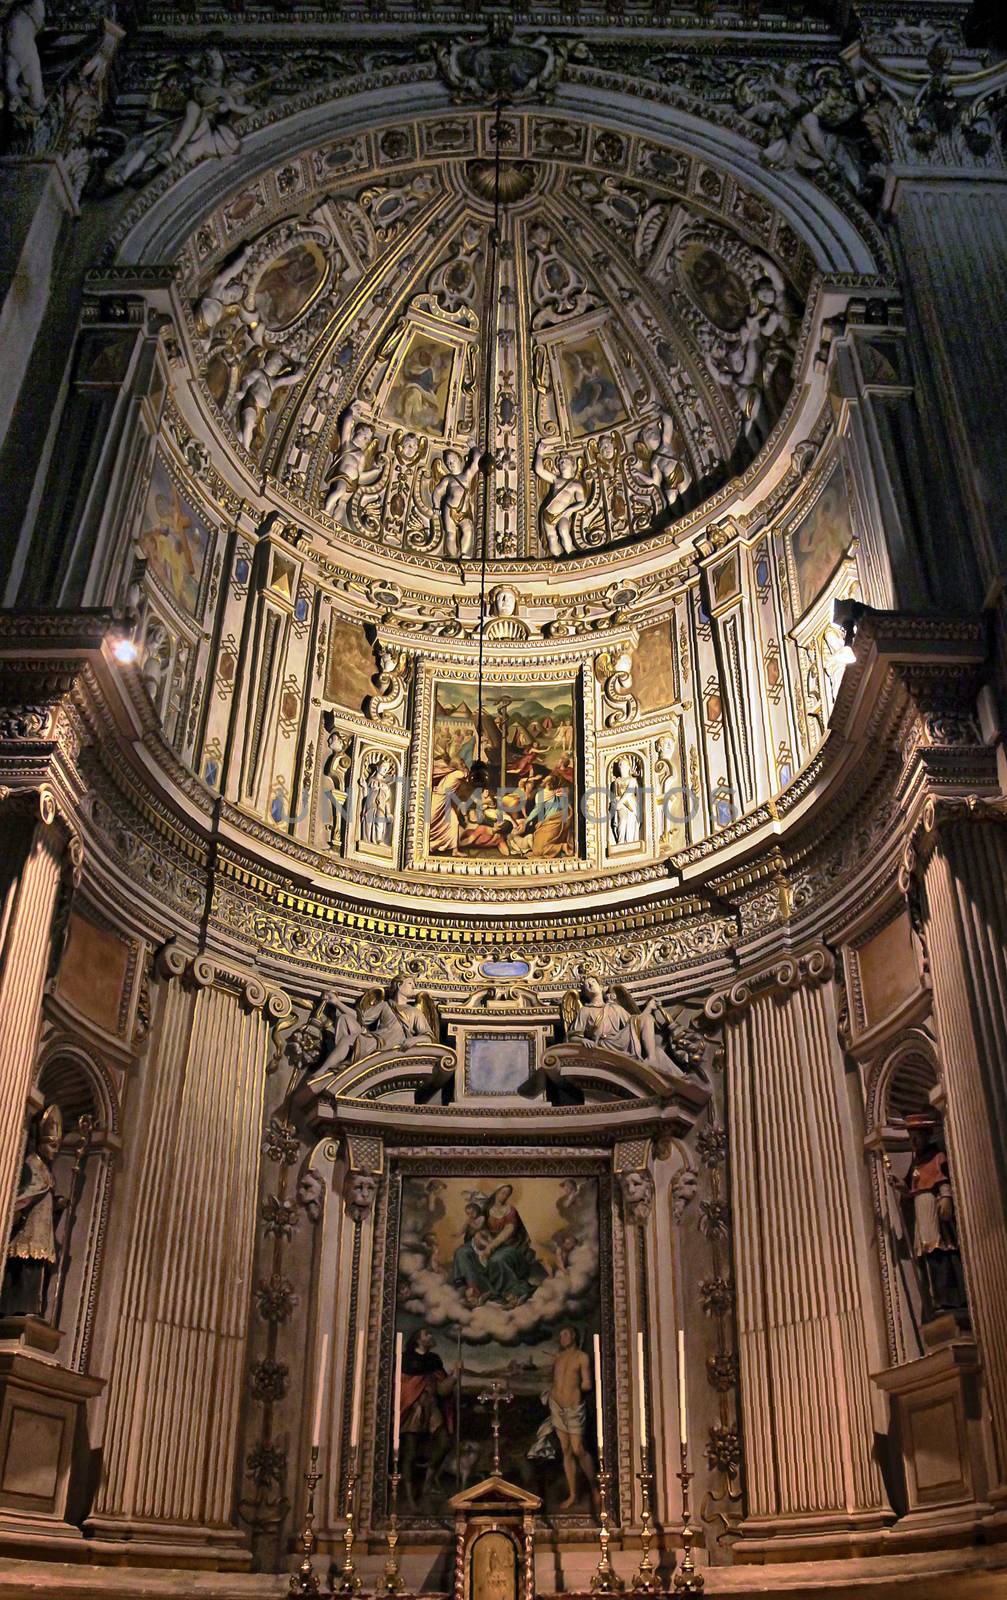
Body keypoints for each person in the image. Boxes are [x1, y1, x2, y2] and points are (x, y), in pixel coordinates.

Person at [888, 1115, 967, 1316]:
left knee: (940, 1254)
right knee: (928, 1258)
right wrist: (901, 1187)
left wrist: (946, 1197)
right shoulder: (917, 1162)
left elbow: (943, 1180)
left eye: (917, 1137)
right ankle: (936, 1298)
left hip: (933, 1210)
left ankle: (951, 1299)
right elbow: (912, 1188)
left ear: (927, 1136)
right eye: (910, 1136)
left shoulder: (936, 1156)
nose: (913, 1141)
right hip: (921, 1212)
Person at [1, 1105, 65, 1318]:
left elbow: (43, 1194)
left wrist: (57, 1205)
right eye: (52, 1146)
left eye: (58, 1147)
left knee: (37, 1270)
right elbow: (25, 1194)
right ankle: (16, 1307)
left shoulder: (46, 1170)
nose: (55, 1151)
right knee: (24, 1268)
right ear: (40, 1143)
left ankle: (32, 1308)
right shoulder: (30, 1165)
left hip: (41, 1232)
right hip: (27, 1232)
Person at [399, 1327, 456, 1507]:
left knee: (445, 1442)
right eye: (427, 1334)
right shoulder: (406, 1360)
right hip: (413, 1408)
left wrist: (454, 1376)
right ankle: (408, 1496)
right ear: (418, 1339)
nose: (431, 1336)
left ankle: (428, 1483)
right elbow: (403, 1386)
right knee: (411, 1452)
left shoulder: (434, 1360)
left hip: (432, 1408)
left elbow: (442, 1389)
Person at [548, 1327, 595, 1509]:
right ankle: (573, 1494)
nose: (562, 1338)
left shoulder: (582, 1357)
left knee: (578, 1449)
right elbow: (556, 1381)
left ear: (574, 1336)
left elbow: (586, 1381)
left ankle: (594, 1487)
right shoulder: (558, 1358)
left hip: (574, 1408)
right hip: (557, 1408)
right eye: (560, 1335)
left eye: (565, 1334)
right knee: (565, 1450)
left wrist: (586, 1383)